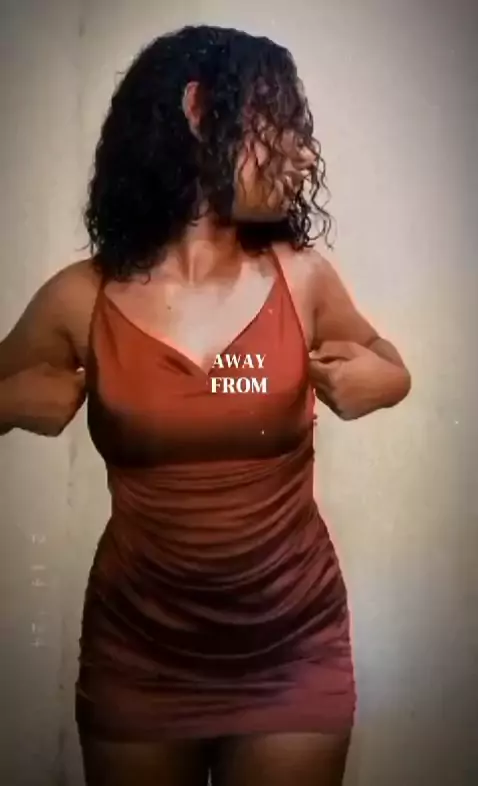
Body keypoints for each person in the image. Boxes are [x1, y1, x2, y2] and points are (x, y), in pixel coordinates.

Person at [0, 24, 411, 786]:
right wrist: (12, 400)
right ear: (198, 111)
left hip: (293, 654)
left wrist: (381, 382)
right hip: (139, 660)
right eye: (282, 122)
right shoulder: (82, 297)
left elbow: (391, 366)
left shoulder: (301, 278)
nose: (306, 153)